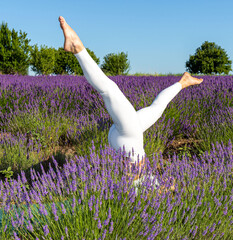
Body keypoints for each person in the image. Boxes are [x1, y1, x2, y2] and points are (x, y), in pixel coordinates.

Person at [58, 16, 203, 192]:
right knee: (156, 108)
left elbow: (161, 186)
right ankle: (183, 82)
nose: (170, 182)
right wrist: (167, 184)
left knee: (109, 90)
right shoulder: (146, 186)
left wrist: (168, 186)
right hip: (127, 137)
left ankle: (77, 48)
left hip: (128, 138)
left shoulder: (141, 191)